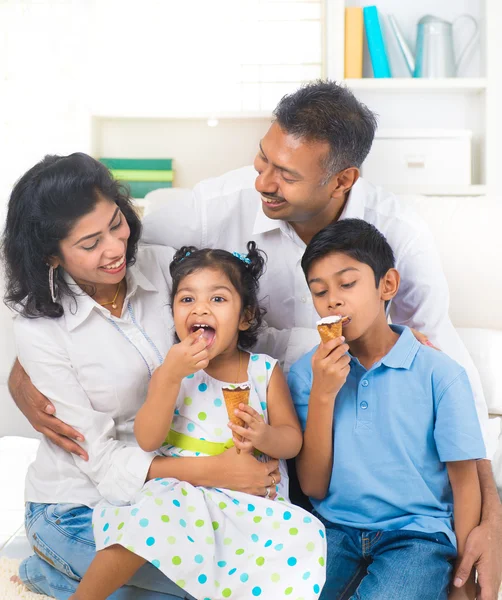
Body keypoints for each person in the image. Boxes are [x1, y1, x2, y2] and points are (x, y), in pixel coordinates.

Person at [8, 81, 502, 597]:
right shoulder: (208, 210)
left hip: (272, 475)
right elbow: (85, 269)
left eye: (285, 175)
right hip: (153, 486)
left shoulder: (398, 236)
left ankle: (63, 574)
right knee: (213, 570)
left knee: (257, 568)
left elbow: (453, 375)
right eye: (262, 160)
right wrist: (27, 369)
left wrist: (489, 519)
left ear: (343, 180)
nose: (262, 182)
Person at [2, 153, 282, 600]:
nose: (115, 248)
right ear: (51, 255)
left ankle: (55, 575)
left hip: (170, 500)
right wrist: (216, 471)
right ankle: (51, 567)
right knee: (203, 590)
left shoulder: (163, 266)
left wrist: (371, 336)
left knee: (251, 574)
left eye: (117, 223)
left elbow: (237, 332)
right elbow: (103, 464)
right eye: (90, 243)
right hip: (78, 506)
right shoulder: (39, 330)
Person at [70, 242, 326, 600]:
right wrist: (169, 378)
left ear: (245, 316)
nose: (200, 308)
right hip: (182, 490)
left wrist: (264, 435)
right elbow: (147, 439)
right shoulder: (173, 370)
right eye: (187, 299)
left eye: (218, 299)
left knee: (301, 537)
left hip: (250, 497)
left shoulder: (262, 371)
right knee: (143, 524)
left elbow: (292, 441)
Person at [288, 218, 486, 600]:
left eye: (347, 284)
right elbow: (312, 486)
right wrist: (324, 395)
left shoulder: (441, 374)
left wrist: (463, 579)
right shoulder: (307, 374)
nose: (333, 300)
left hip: (418, 537)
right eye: (319, 291)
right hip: (333, 530)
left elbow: (465, 483)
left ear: (387, 285)